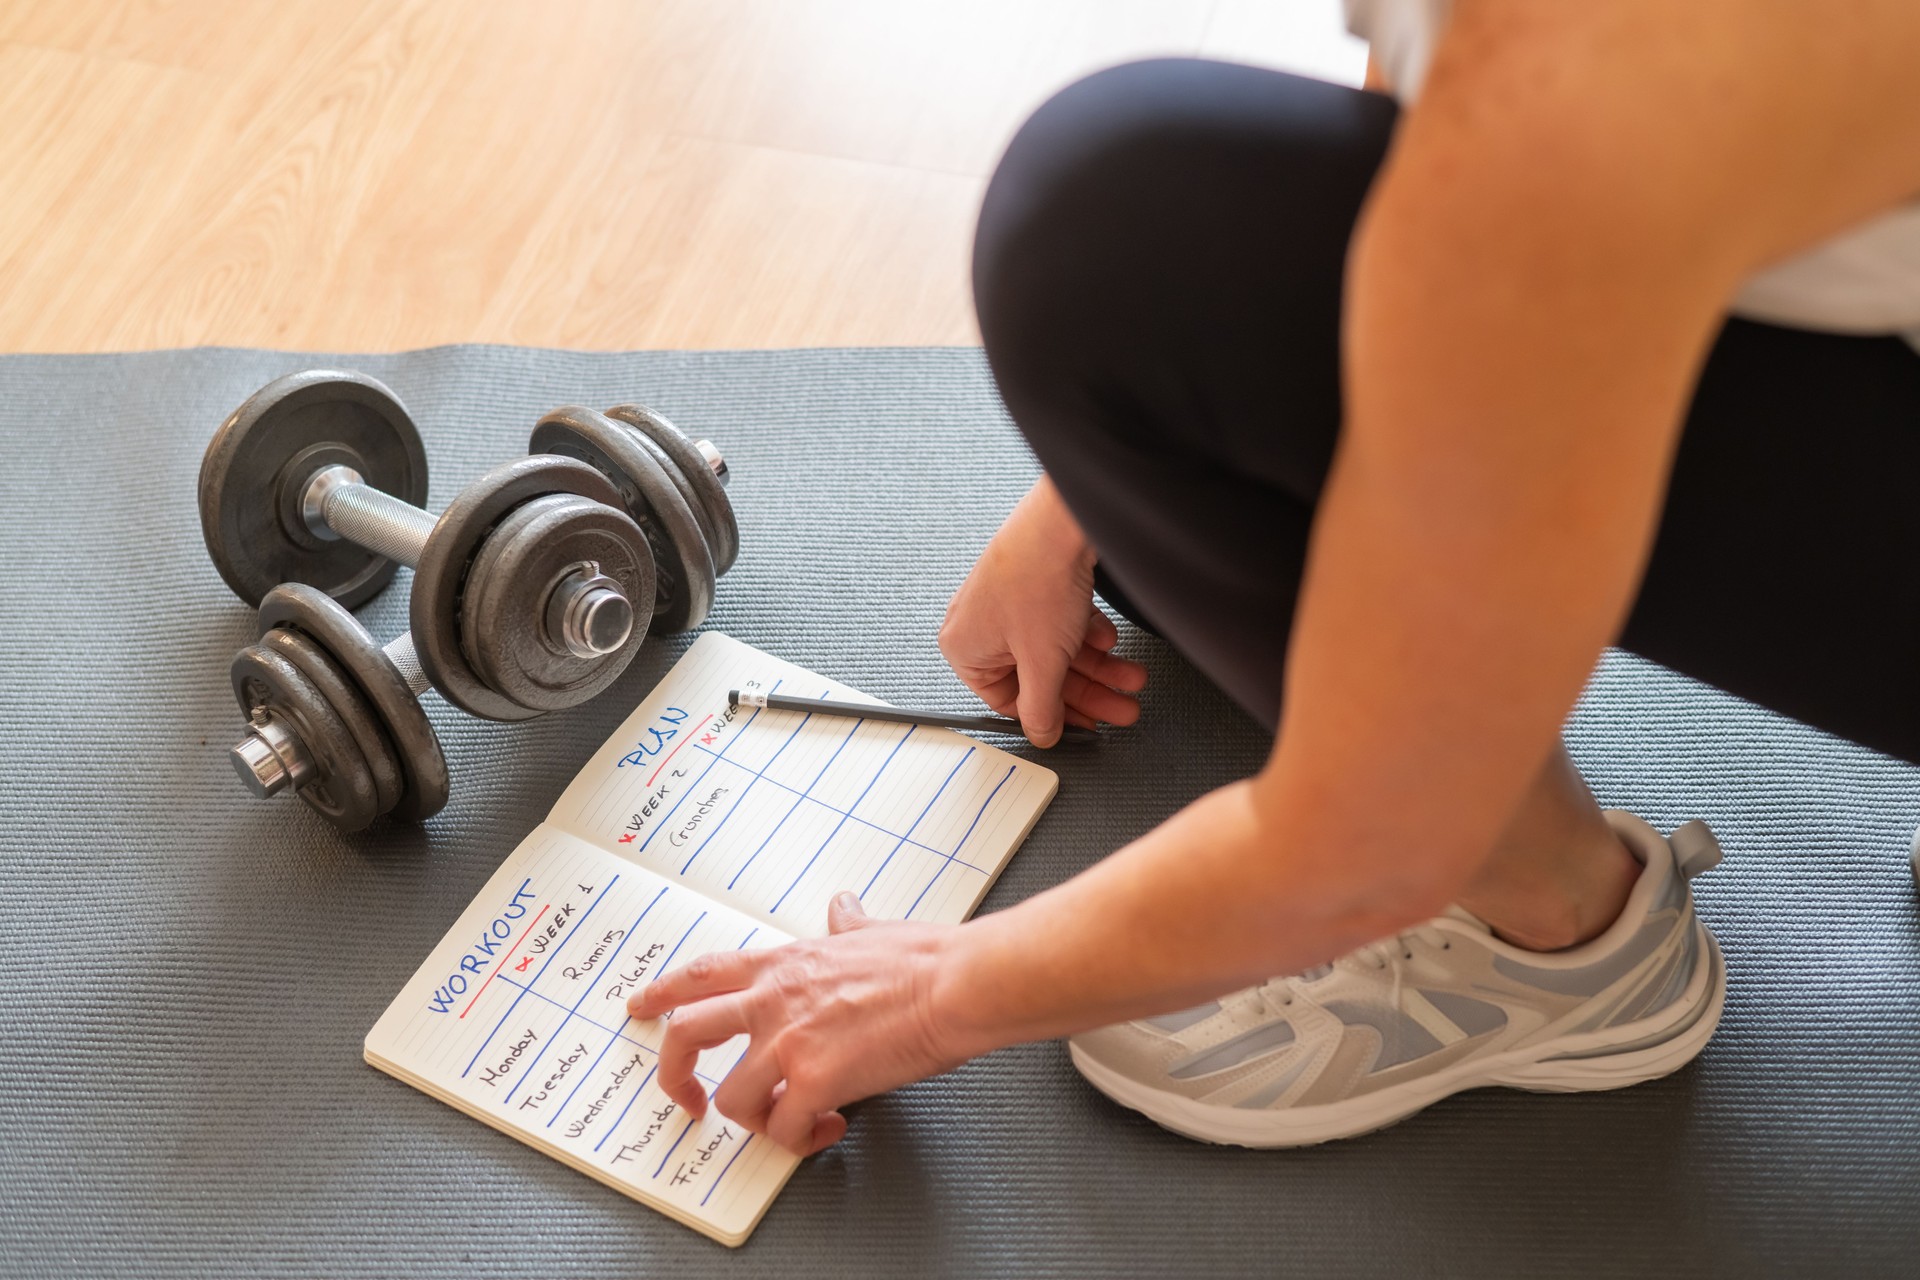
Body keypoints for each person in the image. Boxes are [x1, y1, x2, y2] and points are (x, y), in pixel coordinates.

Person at [630, 0, 1920, 1155]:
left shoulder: (1595, 67)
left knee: (1095, 227)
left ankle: (1567, 944)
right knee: (1120, 239)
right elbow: (1405, 157)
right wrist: (1086, 489)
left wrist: (924, 993)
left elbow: (1374, 842)